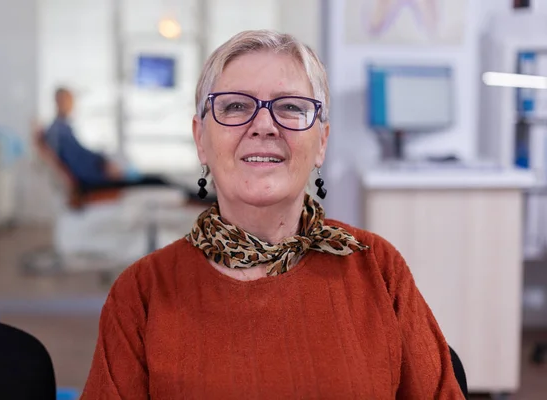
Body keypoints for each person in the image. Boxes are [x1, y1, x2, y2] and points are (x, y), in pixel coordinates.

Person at [80, 30, 465, 399]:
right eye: (235, 106)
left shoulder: (378, 268)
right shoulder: (141, 294)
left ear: (321, 143)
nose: (263, 125)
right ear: (201, 139)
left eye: (291, 107)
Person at [43, 87, 168, 192]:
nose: (72, 104)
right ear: (59, 102)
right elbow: (78, 160)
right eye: (69, 100)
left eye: (72, 100)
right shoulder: (59, 132)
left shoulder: (61, 129)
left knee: (154, 179)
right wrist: (103, 163)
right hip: (94, 179)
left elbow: (80, 155)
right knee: (157, 182)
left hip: (96, 174)